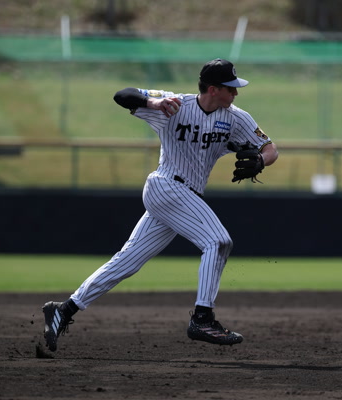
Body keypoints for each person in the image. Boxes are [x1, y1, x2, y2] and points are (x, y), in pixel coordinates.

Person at [42, 58, 279, 351]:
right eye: (230, 87)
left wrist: (260, 161)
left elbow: (270, 149)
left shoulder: (236, 118)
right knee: (218, 241)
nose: (236, 92)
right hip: (166, 185)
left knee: (127, 262)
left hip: (184, 197)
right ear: (213, 89)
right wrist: (153, 103)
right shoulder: (175, 105)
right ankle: (202, 318)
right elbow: (122, 95)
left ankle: (63, 310)